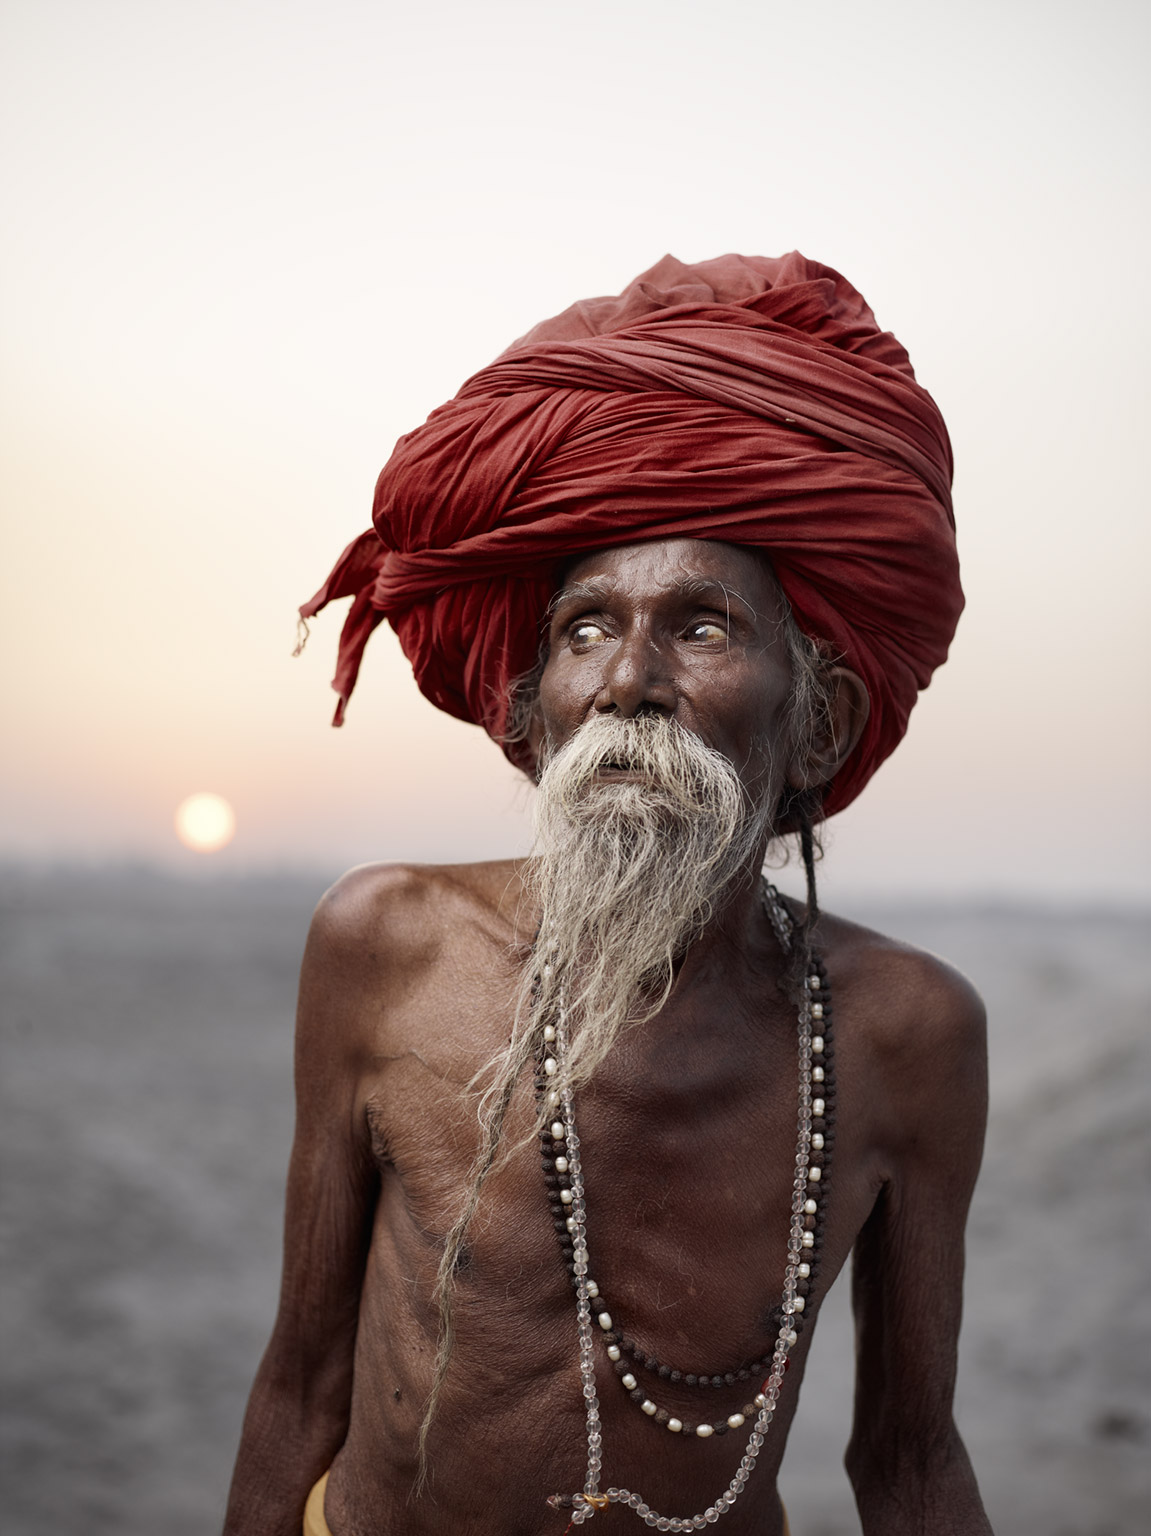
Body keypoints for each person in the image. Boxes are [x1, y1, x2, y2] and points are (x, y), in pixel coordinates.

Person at [224, 254, 992, 1535]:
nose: (628, 677)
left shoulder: (905, 1032)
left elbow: (908, 1464)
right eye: (583, 628)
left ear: (818, 729)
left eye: (699, 627)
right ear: (532, 721)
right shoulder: (385, 942)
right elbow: (299, 1387)